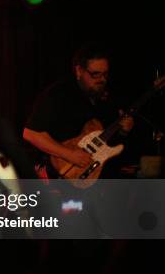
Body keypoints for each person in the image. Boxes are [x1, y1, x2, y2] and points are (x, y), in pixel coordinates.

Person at [23, 44, 134, 178]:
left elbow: (105, 143)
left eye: (105, 74)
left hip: (98, 177)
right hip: (59, 175)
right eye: (95, 74)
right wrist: (69, 154)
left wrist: (122, 131)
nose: (102, 79)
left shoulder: (107, 98)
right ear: (79, 71)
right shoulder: (58, 94)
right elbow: (30, 134)